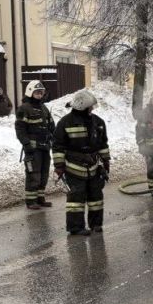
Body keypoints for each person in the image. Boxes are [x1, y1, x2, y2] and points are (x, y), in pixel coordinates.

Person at [53, 89, 111, 236]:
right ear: (82, 106)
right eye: (90, 107)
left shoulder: (98, 122)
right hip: (73, 168)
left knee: (96, 197)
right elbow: (58, 146)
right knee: (76, 200)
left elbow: (103, 144)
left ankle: (96, 224)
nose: (92, 109)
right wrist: (59, 166)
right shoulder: (65, 123)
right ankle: (75, 227)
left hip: (93, 167)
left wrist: (106, 160)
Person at [15, 80, 56, 210]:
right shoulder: (24, 108)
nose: (39, 95)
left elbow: (51, 125)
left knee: (44, 174)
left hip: (45, 147)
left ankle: (40, 198)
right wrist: (26, 143)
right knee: (34, 174)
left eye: (41, 93)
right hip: (33, 148)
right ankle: (31, 200)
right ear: (30, 92)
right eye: (37, 92)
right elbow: (20, 129)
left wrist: (53, 136)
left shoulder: (44, 108)